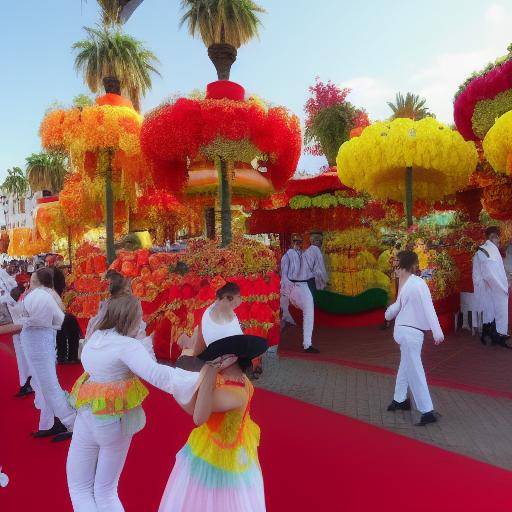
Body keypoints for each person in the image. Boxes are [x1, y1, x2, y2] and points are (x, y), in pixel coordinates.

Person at [66, 294, 203, 512]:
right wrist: (201, 379)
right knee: (106, 491)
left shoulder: (95, 337)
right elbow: (157, 374)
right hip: (113, 420)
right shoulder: (127, 346)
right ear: (130, 318)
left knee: (79, 487)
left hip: (86, 413)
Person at [158, 334, 268, 512]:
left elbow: (198, 416)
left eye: (216, 355)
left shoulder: (235, 394)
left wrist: (208, 370)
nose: (210, 358)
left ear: (230, 360)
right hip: (213, 444)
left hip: (220, 462)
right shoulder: (237, 379)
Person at [384, 250, 444, 427]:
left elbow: (424, 307)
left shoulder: (410, 283)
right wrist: (437, 331)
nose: (395, 269)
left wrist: (437, 331)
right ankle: (426, 411)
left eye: (397, 265)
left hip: (406, 333)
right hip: (410, 333)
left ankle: (400, 399)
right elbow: (424, 308)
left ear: (405, 266)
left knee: (408, 365)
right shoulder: (414, 283)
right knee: (414, 368)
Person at [18, 268, 76, 440]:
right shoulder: (42, 295)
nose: (30, 283)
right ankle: (50, 422)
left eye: (33, 280)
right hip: (37, 345)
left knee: (49, 386)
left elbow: (34, 321)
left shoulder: (43, 297)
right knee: (41, 384)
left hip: (40, 346)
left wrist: (20, 319)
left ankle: (71, 422)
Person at [280, 234, 320, 353]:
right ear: (291, 242)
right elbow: (284, 277)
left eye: (300, 241)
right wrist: (288, 291)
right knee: (283, 309)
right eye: (295, 241)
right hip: (293, 287)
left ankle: (307, 344)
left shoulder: (304, 255)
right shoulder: (286, 256)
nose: (298, 243)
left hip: (304, 286)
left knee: (309, 312)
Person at [472, 226, 510, 347]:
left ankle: (493, 334)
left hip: (491, 286)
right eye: (497, 237)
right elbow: (490, 274)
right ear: (492, 237)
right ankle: (495, 335)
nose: (499, 240)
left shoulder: (490, 249)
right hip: (489, 286)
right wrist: (502, 287)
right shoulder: (486, 250)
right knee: (494, 309)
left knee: (492, 310)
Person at [9, 285, 33, 397]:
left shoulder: (20, 304)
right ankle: (27, 383)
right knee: (24, 361)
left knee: (25, 361)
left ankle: (28, 383)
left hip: (22, 334)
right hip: (20, 335)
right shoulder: (21, 303)